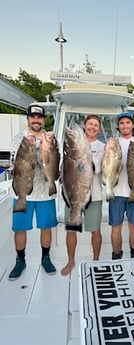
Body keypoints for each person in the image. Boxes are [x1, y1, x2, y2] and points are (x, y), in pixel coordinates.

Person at [9, 105, 58, 281]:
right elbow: (14, 162)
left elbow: (54, 162)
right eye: (33, 117)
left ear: (44, 120)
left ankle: (46, 258)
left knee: (46, 227)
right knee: (20, 229)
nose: (36, 120)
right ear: (28, 119)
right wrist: (28, 148)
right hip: (22, 192)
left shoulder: (51, 138)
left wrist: (48, 146)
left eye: (39, 117)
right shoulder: (18, 138)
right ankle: (20, 260)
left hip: (45, 192)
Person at [61, 115, 105, 276]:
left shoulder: (102, 146)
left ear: (99, 129)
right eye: (90, 124)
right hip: (72, 193)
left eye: (96, 125)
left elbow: (98, 169)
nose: (92, 127)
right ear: (85, 126)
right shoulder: (71, 147)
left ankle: (96, 260)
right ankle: (70, 260)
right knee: (71, 230)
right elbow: (64, 169)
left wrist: (84, 157)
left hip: (94, 196)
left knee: (95, 230)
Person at [109, 111, 134, 260]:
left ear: (133, 124)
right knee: (116, 227)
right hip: (117, 192)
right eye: (121, 123)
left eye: (127, 122)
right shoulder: (114, 143)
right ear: (118, 126)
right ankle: (116, 255)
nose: (125, 125)